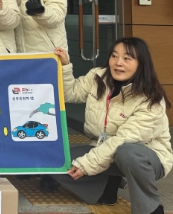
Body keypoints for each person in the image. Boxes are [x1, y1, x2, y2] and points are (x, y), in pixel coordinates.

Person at [50, 39, 171, 214]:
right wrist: (65, 66)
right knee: (55, 161)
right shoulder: (98, 77)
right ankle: (107, 187)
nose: (118, 62)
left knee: (127, 153)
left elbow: (122, 140)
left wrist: (86, 165)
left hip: (145, 155)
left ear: (141, 63)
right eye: (114, 56)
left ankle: (150, 208)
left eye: (127, 58)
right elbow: (70, 93)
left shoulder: (151, 99)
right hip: (102, 148)